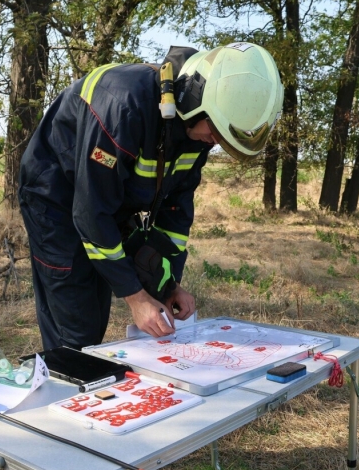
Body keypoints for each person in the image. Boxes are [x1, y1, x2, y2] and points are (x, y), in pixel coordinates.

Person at [18, 43, 283, 350]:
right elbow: (91, 213)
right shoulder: (123, 107)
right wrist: (136, 298)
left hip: (105, 199)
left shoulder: (195, 131)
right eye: (215, 132)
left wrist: (169, 286)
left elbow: (176, 211)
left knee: (97, 308)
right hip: (54, 198)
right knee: (77, 324)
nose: (215, 142)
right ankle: (62, 371)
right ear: (195, 99)